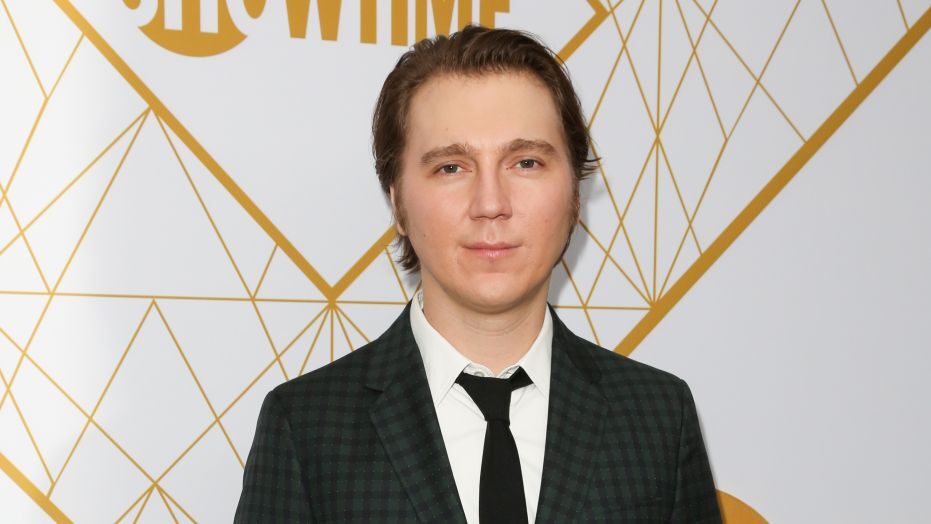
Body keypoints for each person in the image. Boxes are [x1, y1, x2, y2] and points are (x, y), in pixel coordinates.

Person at [235, 25, 721, 523]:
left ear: (574, 194)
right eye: (451, 167)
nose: (491, 203)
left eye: (525, 162)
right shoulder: (307, 428)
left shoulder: (659, 417)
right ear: (398, 203)